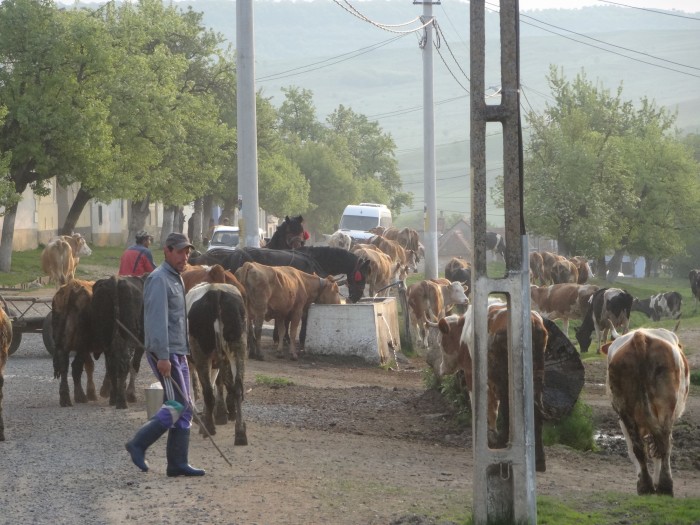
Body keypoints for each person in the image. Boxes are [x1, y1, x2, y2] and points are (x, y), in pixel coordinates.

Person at [125, 232, 204, 477]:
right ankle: (138, 443)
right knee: (177, 403)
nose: (185, 256)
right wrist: (162, 356)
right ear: (167, 251)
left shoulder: (176, 278)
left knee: (186, 405)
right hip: (165, 353)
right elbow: (157, 320)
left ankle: (177, 463)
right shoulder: (159, 279)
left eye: (187, 251)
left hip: (178, 351)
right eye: (180, 251)